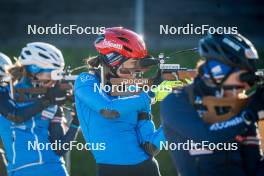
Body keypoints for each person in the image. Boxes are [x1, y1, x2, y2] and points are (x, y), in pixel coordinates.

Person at [160, 33, 263, 176]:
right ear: (218, 70)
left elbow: (254, 168)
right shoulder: (176, 102)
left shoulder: (242, 108)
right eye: (243, 77)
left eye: (251, 80)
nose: (246, 86)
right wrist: (249, 115)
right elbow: (208, 138)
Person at [74, 27, 164, 176]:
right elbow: (108, 110)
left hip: (147, 168)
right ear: (113, 60)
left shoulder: (137, 91)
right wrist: (150, 95)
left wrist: (176, 115)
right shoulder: (85, 80)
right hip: (110, 170)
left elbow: (151, 147)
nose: (136, 72)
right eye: (133, 63)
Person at [0, 43, 79, 176]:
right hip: (20, 171)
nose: (55, 80)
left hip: (55, 170)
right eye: (52, 73)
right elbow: (16, 115)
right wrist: (47, 100)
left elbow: (59, 149)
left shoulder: (51, 99)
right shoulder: (4, 93)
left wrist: (76, 121)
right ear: (34, 68)